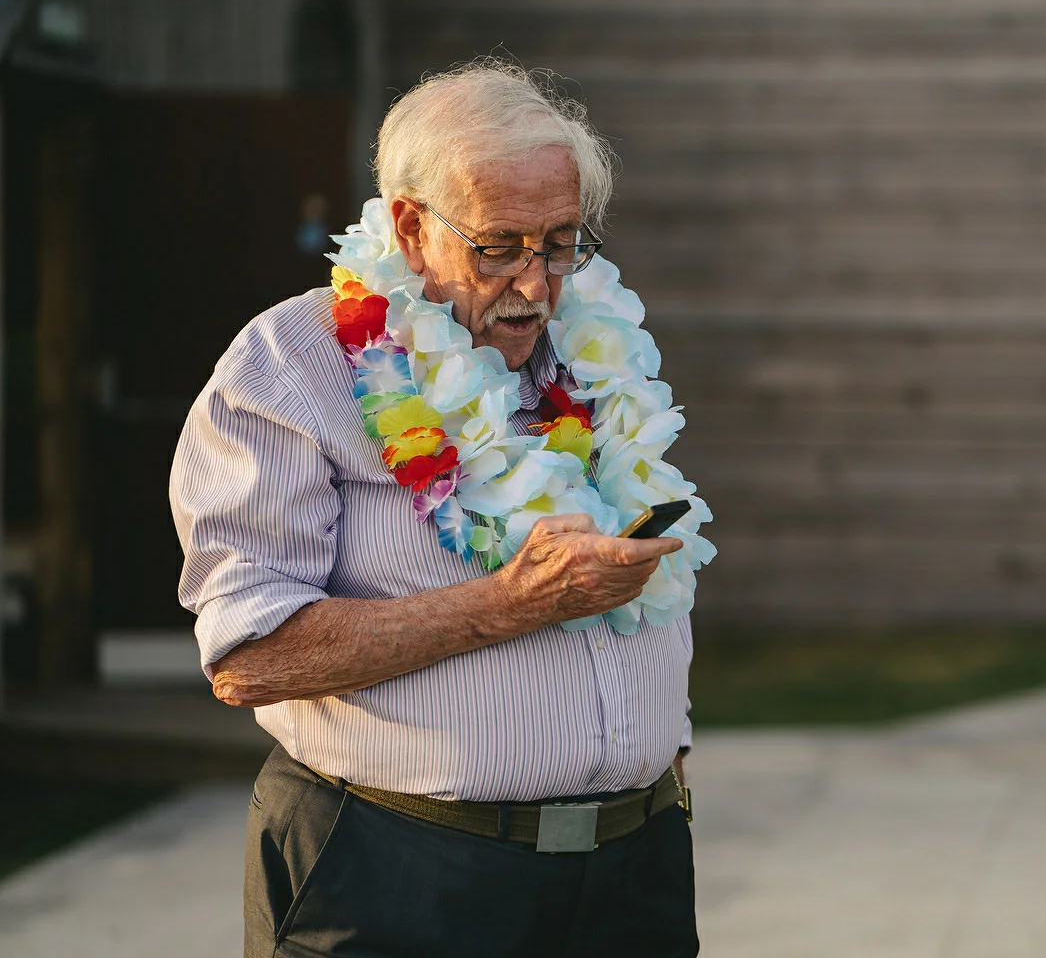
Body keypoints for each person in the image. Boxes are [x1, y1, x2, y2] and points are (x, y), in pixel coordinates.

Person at [170, 61, 705, 958]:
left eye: (561, 242)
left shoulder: (594, 353)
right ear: (412, 228)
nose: (535, 284)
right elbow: (248, 656)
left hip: (628, 877)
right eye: (500, 246)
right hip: (401, 875)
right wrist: (513, 603)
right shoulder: (294, 364)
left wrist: (658, 751)